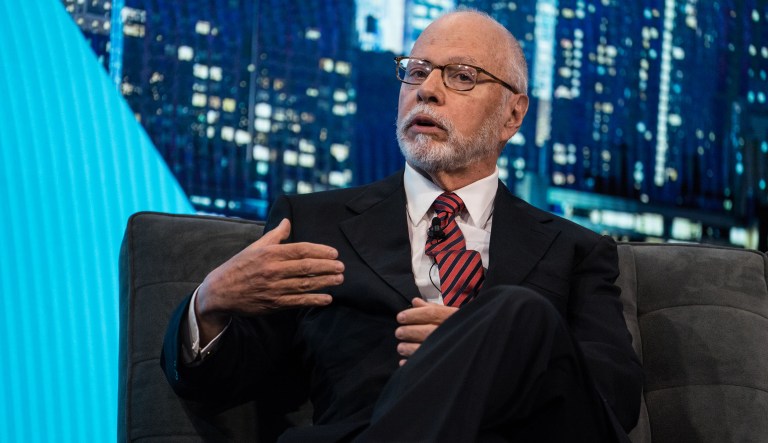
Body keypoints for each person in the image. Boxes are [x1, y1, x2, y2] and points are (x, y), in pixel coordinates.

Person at [162, 9, 643, 443]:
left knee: (519, 313)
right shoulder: (315, 222)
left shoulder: (576, 251)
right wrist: (209, 303)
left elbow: (611, 401)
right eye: (415, 72)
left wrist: (481, 351)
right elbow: (225, 385)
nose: (426, 89)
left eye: (460, 76)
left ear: (512, 115)